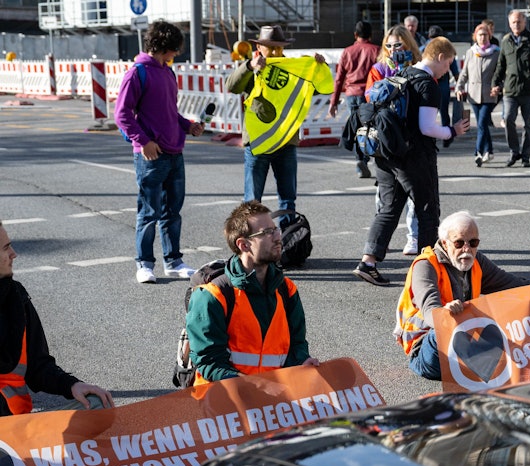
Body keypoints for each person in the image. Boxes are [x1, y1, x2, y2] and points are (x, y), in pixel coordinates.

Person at [356, 37, 470, 288]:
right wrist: (453, 131)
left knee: (389, 208)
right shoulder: (427, 84)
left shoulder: (405, 73)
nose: (447, 70)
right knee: (427, 210)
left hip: (387, 153)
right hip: (414, 156)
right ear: (440, 57)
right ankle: (426, 270)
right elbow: (427, 127)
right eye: (449, 63)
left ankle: (368, 262)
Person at [186, 201, 319, 384]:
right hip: (223, 400)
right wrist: (252, 386)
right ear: (244, 245)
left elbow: (296, 345)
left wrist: (302, 361)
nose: (277, 237)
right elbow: (209, 361)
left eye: (276, 229)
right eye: (267, 232)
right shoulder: (212, 296)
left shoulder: (286, 289)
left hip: (271, 396)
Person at [114, 19, 205, 285]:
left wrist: (188, 126)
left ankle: (173, 262)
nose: (177, 54)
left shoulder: (167, 72)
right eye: (175, 49)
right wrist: (143, 141)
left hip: (175, 152)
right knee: (149, 211)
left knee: (172, 212)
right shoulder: (137, 73)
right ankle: (144, 264)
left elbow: (169, 113)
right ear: (165, 47)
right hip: (151, 155)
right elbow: (122, 115)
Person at [395, 211, 530, 380]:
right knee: (443, 335)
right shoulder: (425, 265)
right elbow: (430, 311)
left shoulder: (476, 261)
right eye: (459, 243)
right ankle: (483, 365)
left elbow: (514, 285)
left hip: (465, 341)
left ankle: (483, 365)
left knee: (509, 315)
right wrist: (445, 313)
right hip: (425, 349)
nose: (467, 249)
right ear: (445, 244)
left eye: (473, 242)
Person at [0, 221, 113, 414]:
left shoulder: (16, 296)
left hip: (20, 430)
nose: (14, 254)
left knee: (96, 404)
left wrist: (73, 385)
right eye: (5, 247)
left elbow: (39, 366)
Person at [225, 26, 331, 214]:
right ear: (259, 47)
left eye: (279, 47)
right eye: (270, 47)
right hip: (258, 142)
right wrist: (250, 66)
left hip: (286, 141)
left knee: (288, 199)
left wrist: (320, 68)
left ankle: (288, 240)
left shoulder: (291, 68)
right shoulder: (253, 66)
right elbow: (232, 86)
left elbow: (316, 89)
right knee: (252, 201)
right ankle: (253, 240)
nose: (275, 52)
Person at [365, 26, 422, 259]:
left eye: (398, 45)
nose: (392, 50)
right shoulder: (378, 69)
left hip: (412, 135)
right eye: (388, 45)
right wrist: (393, 81)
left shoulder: (417, 67)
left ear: (408, 45)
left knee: (415, 193)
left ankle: (414, 236)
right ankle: (383, 238)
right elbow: (370, 98)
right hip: (385, 139)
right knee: (385, 195)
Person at [491, 9, 530, 168]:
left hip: (529, 88)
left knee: (528, 124)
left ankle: (526, 156)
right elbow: (501, 64)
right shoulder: (506, 40)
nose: (516, 24)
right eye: (514, 22)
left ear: (524, 22)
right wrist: (495, 83)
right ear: (510, 23)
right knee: (508, 119)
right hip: (510, 89)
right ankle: (514, 152)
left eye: (519, 21)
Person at [329, 20, 379, 180]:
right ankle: (365, 158)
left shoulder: (347, 52)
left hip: (351, 94)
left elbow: (339, 79)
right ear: (371, 35)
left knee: (356, 128)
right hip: (369, 95)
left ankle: (359, 159)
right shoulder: (376, 51)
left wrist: (333, 101)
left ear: (355, 35)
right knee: (371, 128)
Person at [456, 23, 500, 167]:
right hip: (474, 94)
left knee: (481, 123)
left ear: (489, 36)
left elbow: (501, 74)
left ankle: (478, 152)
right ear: (475, 36)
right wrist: (459, 87)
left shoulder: (495, 52)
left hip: (489, 94)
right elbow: (464, 73)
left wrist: (498, 86)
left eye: (485, 35)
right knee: (483, 126)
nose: (482, 38)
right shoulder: (471, 52)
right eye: (480, 35)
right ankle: (490, 150)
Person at [426, 25, 460, 130]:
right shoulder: (425, 49)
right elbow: (455, 71)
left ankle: (444, 133)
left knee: (442, 109)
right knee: (434, 110)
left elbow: (454, 69)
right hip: (431, 83)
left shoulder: (425, 49)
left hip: (440, 82)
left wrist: (459, 85)